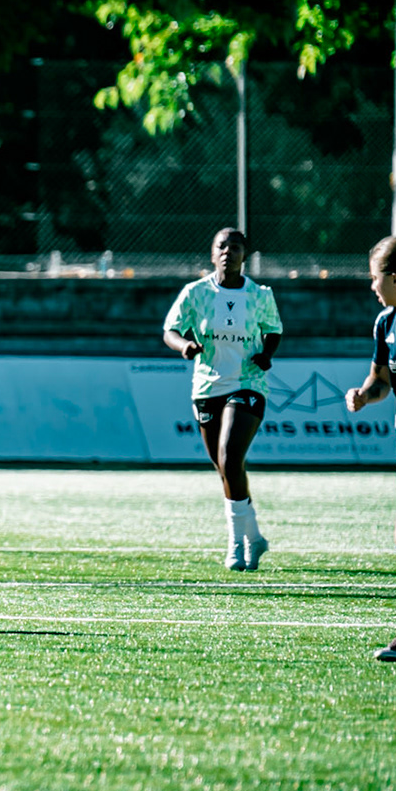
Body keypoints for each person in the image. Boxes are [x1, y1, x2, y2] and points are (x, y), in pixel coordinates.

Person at [162, 226, 282, 570]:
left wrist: (266, 354)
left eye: (235, 246)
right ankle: (256, 538)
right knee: (225, 469)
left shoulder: (260, 295)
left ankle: (235, 545)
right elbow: (170, 329)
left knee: (230, 459)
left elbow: (273, 330)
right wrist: (183, 344)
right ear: (212, 255)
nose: (228, 251)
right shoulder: (195, 293)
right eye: (222, 246)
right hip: (206, 387)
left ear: (246, 255)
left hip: (248, 383)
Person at [343, 235, 396, 661]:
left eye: (374, 278)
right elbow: (381, 380)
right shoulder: (386, 323)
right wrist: (365, 395)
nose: (371, 286)